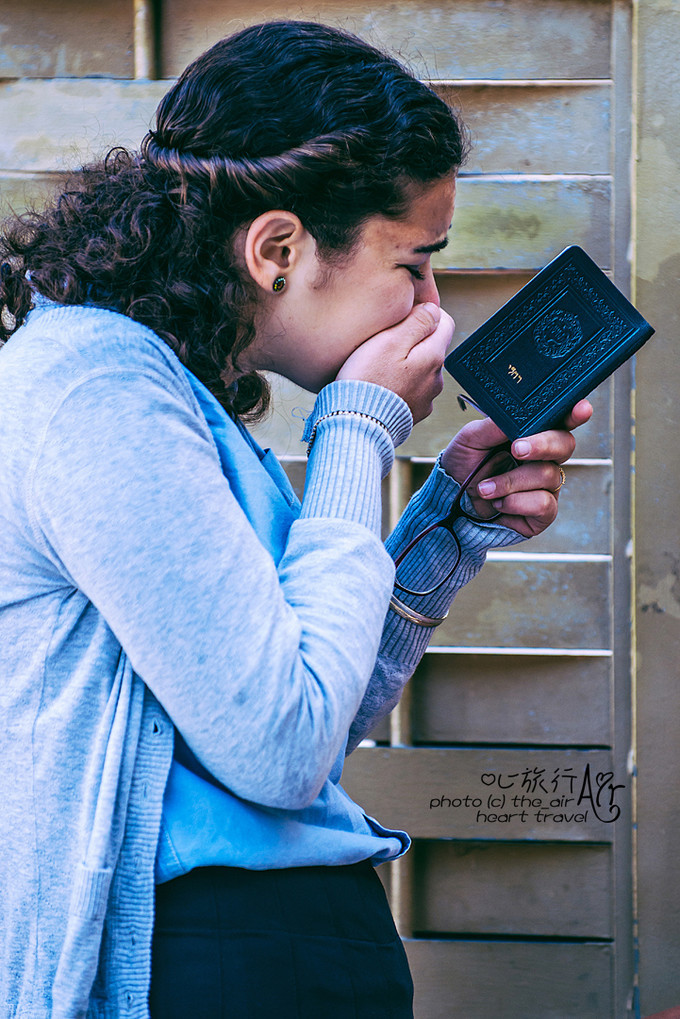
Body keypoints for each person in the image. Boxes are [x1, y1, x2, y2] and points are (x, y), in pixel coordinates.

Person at [0, 20, 591, 1019]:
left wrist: (446, 529)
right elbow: (278, 748)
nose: (431, 309)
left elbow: (312, 715)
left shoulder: (176, 398)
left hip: (270, 948)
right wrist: (357, 423)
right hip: (203, 957)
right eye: (411, 263)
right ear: (277, 246)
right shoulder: (94, 387)